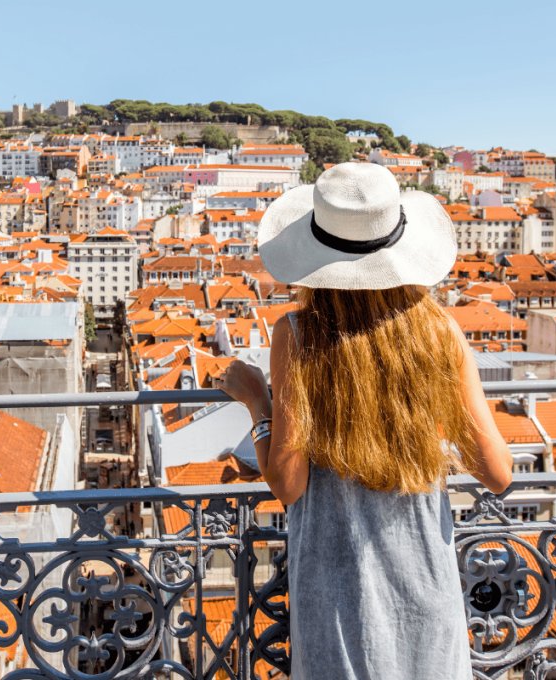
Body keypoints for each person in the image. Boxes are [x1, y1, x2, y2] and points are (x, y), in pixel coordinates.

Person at [218, 162, 512, 680]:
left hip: (336, 595)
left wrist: (257, 404)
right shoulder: (439, 333)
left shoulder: (298, 335)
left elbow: (288, 484)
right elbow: (498, 473)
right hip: (426, 586)